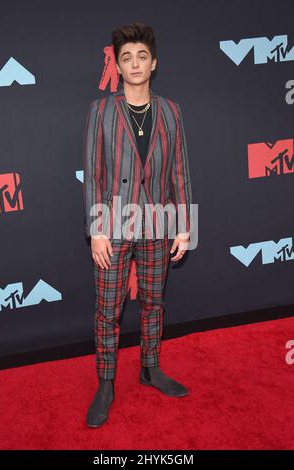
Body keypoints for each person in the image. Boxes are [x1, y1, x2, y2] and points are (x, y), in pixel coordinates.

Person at [83, 22, 193, 427]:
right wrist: (96, 229)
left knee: (153, 302)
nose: (134, 63)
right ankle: (106, 382)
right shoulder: (100, 111)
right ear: (119, 64)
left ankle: (150, 368)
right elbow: (93, 173)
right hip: (112, 222)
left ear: (154, 64)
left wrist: (184, 225)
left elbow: (180, 170)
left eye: (141, 56)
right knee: (107, 309)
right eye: (126, 57)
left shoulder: (172, 112)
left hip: (158, 221)